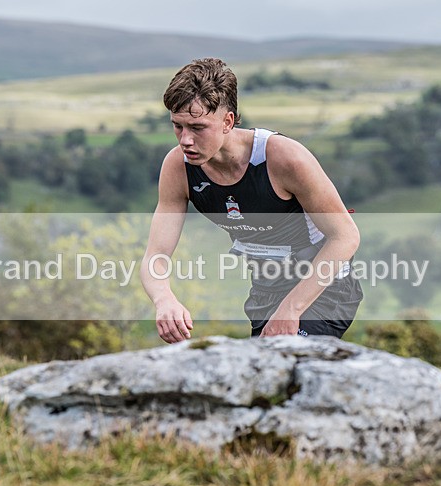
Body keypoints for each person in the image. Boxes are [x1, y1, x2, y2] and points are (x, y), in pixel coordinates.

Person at [140, 58, 363, 344]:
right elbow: (155, 256)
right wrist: (164, 300)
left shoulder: (284, 158)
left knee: (286, 361)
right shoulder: (178, 168)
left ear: (227, 122)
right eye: (177, 126)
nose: (185, 140)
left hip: (324, 288)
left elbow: (345, 237)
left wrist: (291, 309)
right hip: (266, 292)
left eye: (197, 128)